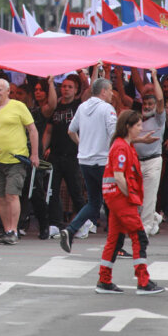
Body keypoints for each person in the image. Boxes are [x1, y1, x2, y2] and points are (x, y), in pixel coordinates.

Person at [95, 110, 164, 295]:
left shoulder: (124, 144)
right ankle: (143, 281)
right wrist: (131, 198)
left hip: (116, 198)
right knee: (139, 236)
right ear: (128, 127)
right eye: (138, 126)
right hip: (121, 198)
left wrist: (142, 140)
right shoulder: (121, 148)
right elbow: (119, 177)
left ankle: (104, 279)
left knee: (115, 239)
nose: (141, 129)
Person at [62, 77, 118, 252]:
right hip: (103, 161)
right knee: (113, 200)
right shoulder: (107, 109)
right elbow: (114, 134)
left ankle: (71, 230)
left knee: (94, 201)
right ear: (103, 91)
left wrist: (83, 144)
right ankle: (116, 243)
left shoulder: (82, 106)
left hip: (85, 160)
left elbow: (71, 130)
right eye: (110, 90)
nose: (112, 93)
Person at [0, 78, 39, 245]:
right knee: (0, 197)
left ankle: (14, 230)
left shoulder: (18, 106)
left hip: (16, 158)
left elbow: (32, 130)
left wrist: (34, 154)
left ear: (8, 91)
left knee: (12, 194)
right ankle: (7, 230)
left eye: (0, 89)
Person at [42, 75, 85, 235]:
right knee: (52, 190)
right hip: (55, 155)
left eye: (70, 87)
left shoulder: (80, 106)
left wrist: (89, 71)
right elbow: (48, 131)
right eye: (64, 86)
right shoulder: (56, 107)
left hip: (73, 155)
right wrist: (41, 150)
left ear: (76, 90)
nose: (66, 89)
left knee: (75, 191)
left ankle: (84, 222)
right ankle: (55, 223)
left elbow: (89, 90)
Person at [131, 69, 165, 235]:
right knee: (138, 197)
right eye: (145, 104)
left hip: (153, 161)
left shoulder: (159, 117)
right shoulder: (138, 119)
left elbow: (159, 99)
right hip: (138, 161)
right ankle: (155, 218)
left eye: (150, 104)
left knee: (149, 196)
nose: (147, 106)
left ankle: (144, 228)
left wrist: (153, 76)